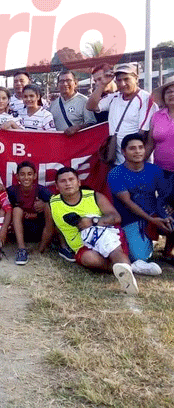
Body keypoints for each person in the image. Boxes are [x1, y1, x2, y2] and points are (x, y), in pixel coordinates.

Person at [49, 167, 139, 295]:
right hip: (83, 246)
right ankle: (129, 267)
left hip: (106, 233)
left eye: (71, 179)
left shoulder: (95, 196)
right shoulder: (53, 203)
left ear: (79, 182)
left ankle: (128, 282)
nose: (68, 183)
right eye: (63, 181)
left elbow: (116, 217)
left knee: (111, 247)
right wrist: (41, 249)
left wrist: (92, 221)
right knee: (88, 259)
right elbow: (51, 227)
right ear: (57, 186)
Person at [108, 134, 170, 274]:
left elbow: (163, 196)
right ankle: (145, 241)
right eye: (132, 148)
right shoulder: (116, 173)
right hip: (131, 219)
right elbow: (128, 202)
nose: (137, 151)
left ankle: (167, 251)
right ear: (124, 152)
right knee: (139, 257)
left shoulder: (154, 170)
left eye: (141, 147)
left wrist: (166, 215)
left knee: (172, 222)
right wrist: (151, 220)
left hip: (154, 214)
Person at [86, 63, 158, 165]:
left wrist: (134, 163)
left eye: (126, 79)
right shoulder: (114, 97)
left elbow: (143, 134)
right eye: (119, 80)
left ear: (136, 79)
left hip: (136, 163)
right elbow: (90, 106)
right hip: (116, 160)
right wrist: (102, 84)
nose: (123, 84)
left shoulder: (146, 99)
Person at [7, 161, 54, 265]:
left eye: (29, 174)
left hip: (40, 230)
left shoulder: (42, 191)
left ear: (35, 176)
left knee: (49, 206)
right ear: (17, 176)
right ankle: (21, 249)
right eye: (22, 174)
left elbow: (57, 207)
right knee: (17, 210)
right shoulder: (12, 191)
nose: (26, 177)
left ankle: (42, 248)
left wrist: (44, 206)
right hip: (21, 232)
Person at [146, 76, 174, 215]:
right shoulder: (157, 116)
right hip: (162, 173)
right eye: (168, 91)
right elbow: (150, 144)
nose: (172, 94)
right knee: (166, 212)